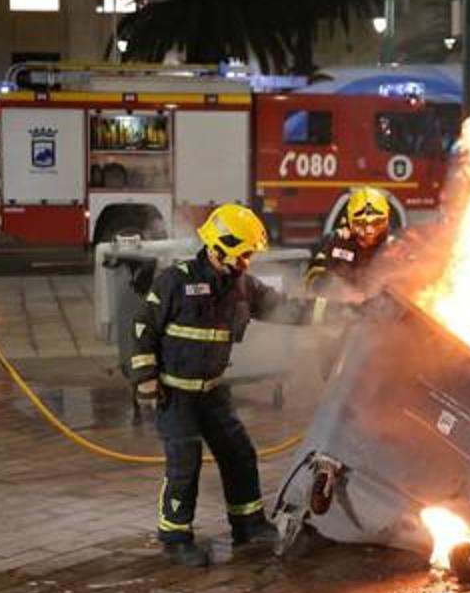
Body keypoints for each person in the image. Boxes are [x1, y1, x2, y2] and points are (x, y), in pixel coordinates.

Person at [130, 203, 345, 566]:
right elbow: (141, 329)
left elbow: (289, 307)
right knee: (185, 463)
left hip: (212, 390)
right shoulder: (175, 281)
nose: (248, 261)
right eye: (243, 253)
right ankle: (175, 536)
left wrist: (347, 310)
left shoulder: (242, 286)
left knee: (239, 453)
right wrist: (146, 380)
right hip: (175, 393)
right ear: (220, 246)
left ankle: (247, 523)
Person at [304, 187, 393, 295]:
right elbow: (315, 270)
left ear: (387, 220)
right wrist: (321, 281)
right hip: (341, 306)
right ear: (350, 221)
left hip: (380, 308)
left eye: (377, 223)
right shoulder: (336, 242)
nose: (369, 230)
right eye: (361, 224)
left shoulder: (394, 248)